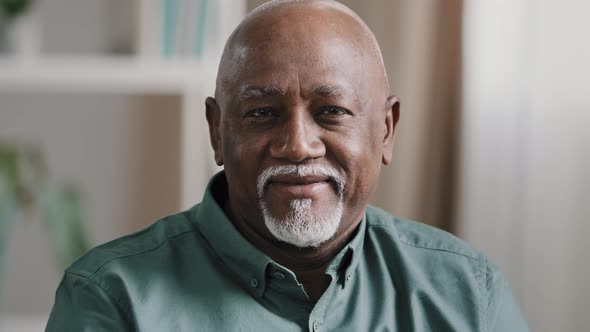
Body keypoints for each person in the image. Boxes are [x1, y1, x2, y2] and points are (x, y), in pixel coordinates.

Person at [46, 0, 529, 331]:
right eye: (262, 113)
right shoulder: (111, 296)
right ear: (217, 131)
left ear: (386, 129)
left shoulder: (469, 294)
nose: (298, 145)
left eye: (331, 112)